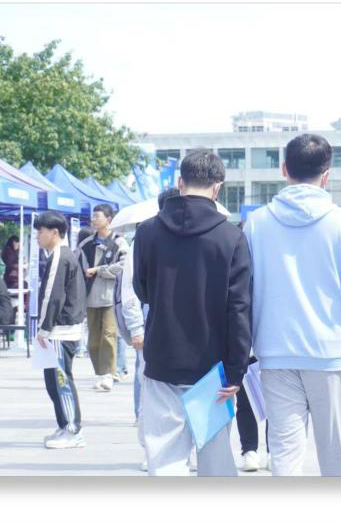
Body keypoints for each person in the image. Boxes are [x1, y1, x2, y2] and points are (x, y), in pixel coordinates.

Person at [243, 133, 341, 476]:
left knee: (285, 455)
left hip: (275, 352)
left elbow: (243, 290)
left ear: (283, 169)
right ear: (327, 174)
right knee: (335, 454)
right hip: (330, 352)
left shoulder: (257, 223)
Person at [133, 149, 252, 476]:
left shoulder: (147, 231)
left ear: (180, 182)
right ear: (218, 187)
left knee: (164, 461)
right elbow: (239, 309)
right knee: (215, 463)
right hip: (213, 368)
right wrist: (237, 370)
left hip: (162, 359)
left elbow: (142, 290)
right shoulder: (231, 237)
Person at [119, 187, 179, 472]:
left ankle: (182, 448)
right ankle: (151, 448)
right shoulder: (147, 236)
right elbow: (130, 287)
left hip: (179, 325)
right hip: (151, 321)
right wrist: (136, 328)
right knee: (149, 387)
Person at [33, 211, 88, 449]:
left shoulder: (59, 256)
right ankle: (65, 425)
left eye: (40, 231)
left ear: (54, 232)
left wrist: (43, 328)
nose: (37, 236)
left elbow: (52, 296)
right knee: (54, 382)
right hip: (60, 328)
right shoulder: (62, 255)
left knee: (61, 381)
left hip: (60, 330)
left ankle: (73, 430)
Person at [78, 204, 128, 391]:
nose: (93, 220)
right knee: (93, 339)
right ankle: (100, 373)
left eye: (97, 216)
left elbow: (124, 266)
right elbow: (78, 265)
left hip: (110, 297)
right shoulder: (86, 244)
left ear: (108, 219)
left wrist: (100, 270)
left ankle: (109, 373)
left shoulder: (119, 243)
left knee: (109, 335)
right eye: (93, 216)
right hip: (90, 297)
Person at [73, 226, 94, 358]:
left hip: (79, 289)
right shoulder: (91, 251)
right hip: (90, 288)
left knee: (82, 320)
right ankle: (86, 348)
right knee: (88, 321)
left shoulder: (76, 252)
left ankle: (80, 348)